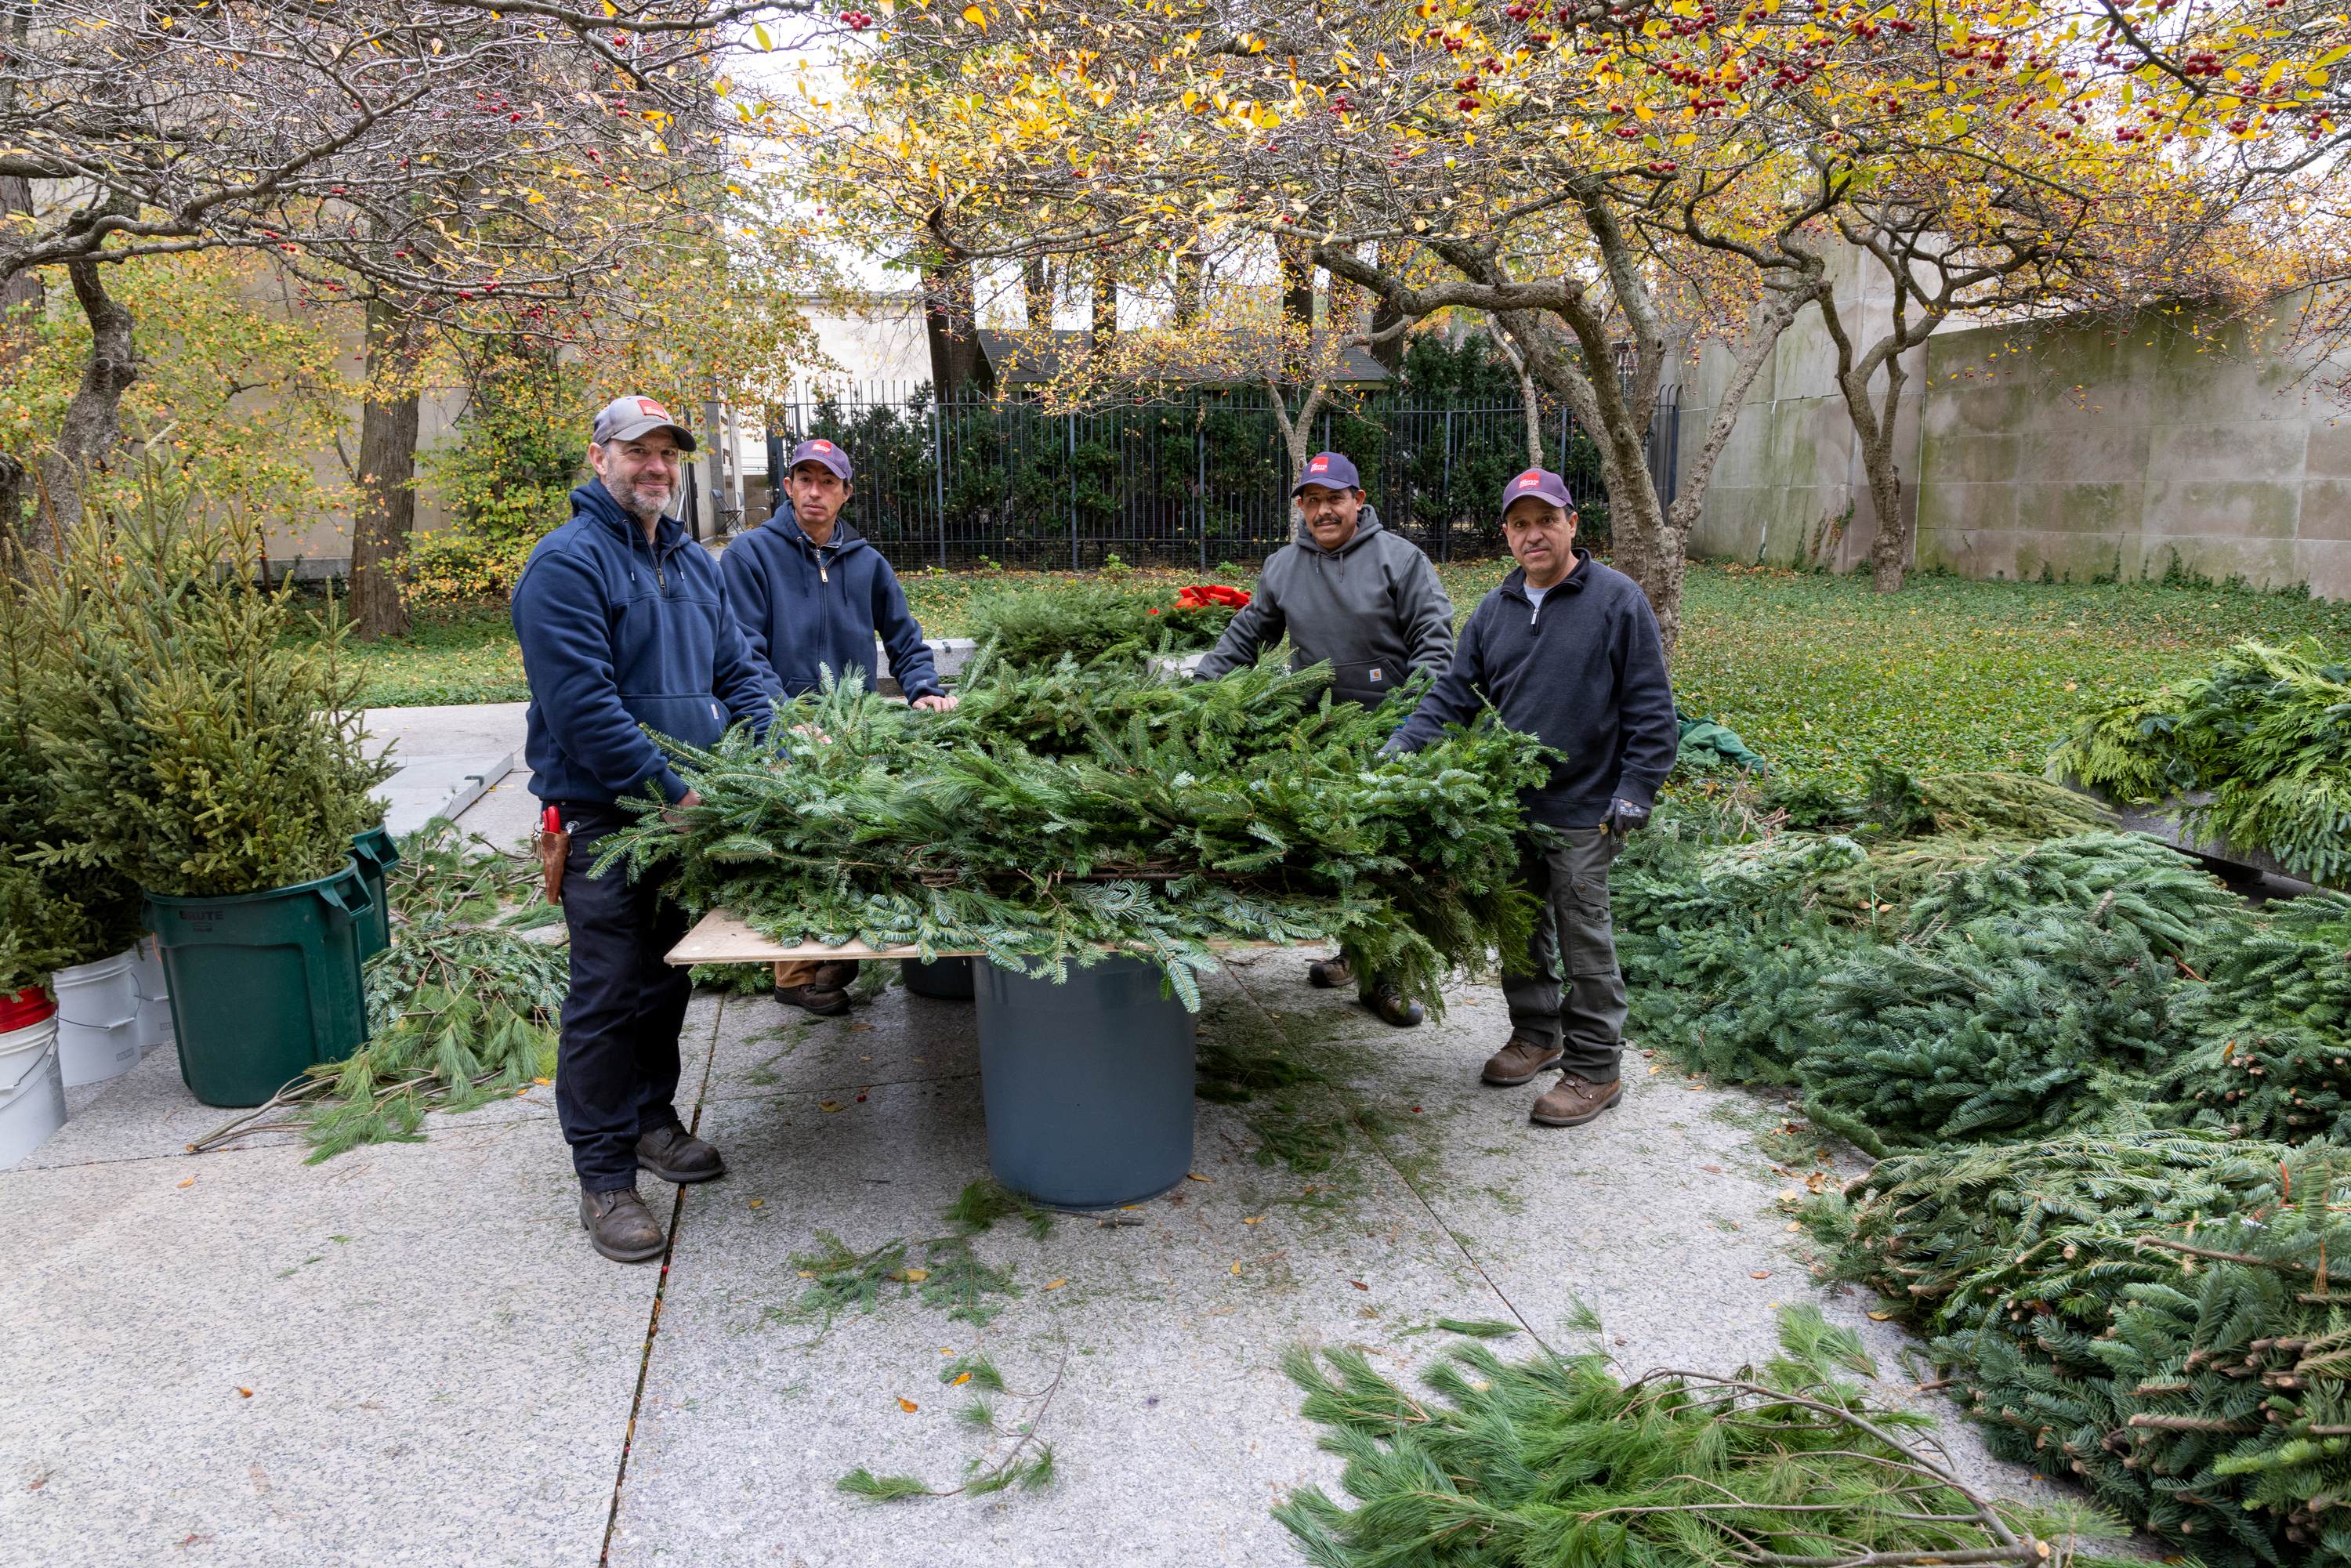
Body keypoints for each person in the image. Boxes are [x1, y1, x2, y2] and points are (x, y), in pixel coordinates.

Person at [513, 394, 772, 1264]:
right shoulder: (567, 565)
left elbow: (740, 669)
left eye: (668, 455)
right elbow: (582, 708)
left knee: (667, 979)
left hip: (686, 813)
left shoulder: (695, 563)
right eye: (639, 453)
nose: (656, 468)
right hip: (605, 816)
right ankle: (603, 1176)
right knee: (609, 988)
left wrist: (779, 747)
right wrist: (669, 788)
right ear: (599, 458)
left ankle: (650, 1120)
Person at [1382, 468, 1678, 1128]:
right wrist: (1401, 748)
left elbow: (1653, 709)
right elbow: (1453, 698)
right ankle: (1538, 1033)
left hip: (1585, 808)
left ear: (1574, 523)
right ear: (1507, 535)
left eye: (1546, 519)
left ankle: (1597, 1069)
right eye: (1520, 523)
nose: (1533, 534)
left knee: (1584, 938)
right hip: (1508, 807)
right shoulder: (1494, 610)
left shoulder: (1617, 601)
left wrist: (1637, 787)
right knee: (1519, 932)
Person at [1194, 450, 1456, 1027]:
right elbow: (1245, 637)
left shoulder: (1401, 560)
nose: (1322, 512)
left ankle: (1384, 977)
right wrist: (1196, 691)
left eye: (1334, 499)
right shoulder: (1284, 566)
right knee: (1337, 848)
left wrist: (1412, 727)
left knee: (1385, 856)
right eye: (1311, 502)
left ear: (1358, 502)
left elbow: (1436, 648)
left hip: (1391, 732)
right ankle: (1352, 950)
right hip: (1315, 730)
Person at [723, 436, 956, 1017]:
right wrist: (784, 722)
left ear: (846, 492)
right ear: (787, 486)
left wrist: (924, 689)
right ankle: (795, 972)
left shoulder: (867, 562)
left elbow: (904, 637)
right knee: (798, 842)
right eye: (804, 478)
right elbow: (742, 652)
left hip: (855, 724)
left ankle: (838, 954)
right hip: (781, 726)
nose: (814, 491)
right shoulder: (750, 556)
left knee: (855, 837)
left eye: (827, 482)